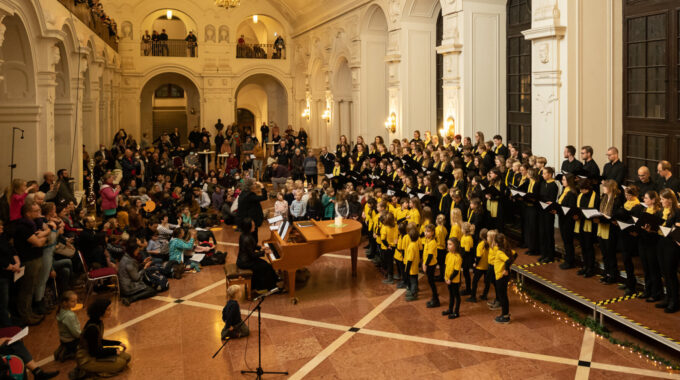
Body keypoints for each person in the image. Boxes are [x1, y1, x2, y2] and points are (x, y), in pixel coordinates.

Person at [76, 298, 131, 377]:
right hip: (87, 359)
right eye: (108, 310)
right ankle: (91, 371)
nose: (110, 312)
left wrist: (118, 343)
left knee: (127, 357)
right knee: (121, 363)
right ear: (100, 311)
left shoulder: (98, 321)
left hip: (95, 352)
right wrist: (113, 351)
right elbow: (94, 352)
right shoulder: (92, 328)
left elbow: (99, 341)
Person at [14, 203, 48, 325]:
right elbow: (38, 243)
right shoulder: (23, 227)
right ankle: (25, 316)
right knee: (26, 290)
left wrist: (42, 239)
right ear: (28, 213)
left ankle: (30, 313)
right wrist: (42, 240)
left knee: (32, 287)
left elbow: (44, 237)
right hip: (29, 261)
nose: (38, 213)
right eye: (35, 211)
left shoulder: (32, 224)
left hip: (35, 258)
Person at [236, 218, 278, 291]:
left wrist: (261, 247)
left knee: (265, 264)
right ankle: (268, 287)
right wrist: (264, 252)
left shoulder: (245, 235)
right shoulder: (247, 238)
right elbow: (252, 255)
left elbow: (252, 246)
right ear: (248, 227)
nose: (254, 226)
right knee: (266, 266)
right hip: (245, 262)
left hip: (245, 259)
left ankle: (272, 281)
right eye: (253, 225)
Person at [118, 240, 158, 306]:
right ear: (133, 251)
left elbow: (134, 270)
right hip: (128, 287)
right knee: (152, 291)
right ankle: (131, 299)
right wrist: (145, 268)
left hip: (125, 285)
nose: (138, 251)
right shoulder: (129, 262)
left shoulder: (126, 257)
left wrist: (143, 263)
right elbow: (137, 278)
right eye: (137, 250)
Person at [491, 233, 516, 324]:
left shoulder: (500, 252)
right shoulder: (506, 250)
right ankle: (504, 314)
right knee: (503, 296)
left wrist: (506, 269)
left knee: (503, 297)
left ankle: (505, 316)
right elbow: (514, 254)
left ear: (496, 243)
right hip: (503, 277)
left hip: (501, 277)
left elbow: (508, 260)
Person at [54, 291, 81, 362]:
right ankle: (68, 353)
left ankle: (65, 348)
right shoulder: (69, 315)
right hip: (71, 340)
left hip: (63, 339)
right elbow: (75, 332)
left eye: (76, 300)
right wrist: (82, 336)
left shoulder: (61, 311)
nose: (75, 303)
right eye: (73, 301)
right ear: (65, 302)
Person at [442, 237, 463, 319]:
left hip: (454, 280)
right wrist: (445, 276)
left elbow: (456, 271)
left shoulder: (458, 257)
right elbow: (446, 266)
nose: (448, 246)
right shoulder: (448, 255)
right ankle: (450, 309)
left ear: (455, 246)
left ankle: (456, 312)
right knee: (451, 295)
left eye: (450, 244)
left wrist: (450, 279)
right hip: (448, 279)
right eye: (447, 244)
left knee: (456, 296)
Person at [422, 224, 439, 308]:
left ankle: (436, 299)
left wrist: (425, 264)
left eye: (428, 232)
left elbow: (430, 256)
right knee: (430, 281)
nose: (426, 233)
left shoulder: (432, 242)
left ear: (432, 232)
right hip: (427, 263)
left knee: (431, 281)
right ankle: (434, 297)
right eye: (425, 231)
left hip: (431, 264)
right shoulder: (427, 240)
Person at [404, 224, 420, 301]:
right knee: (415, 280)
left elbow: (410, 259)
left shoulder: (411, 246)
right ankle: (415, 290)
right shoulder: (416, 244)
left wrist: (407, 269)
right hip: (415, 266)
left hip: (412, 268)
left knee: (413, 281)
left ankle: (414, 294)